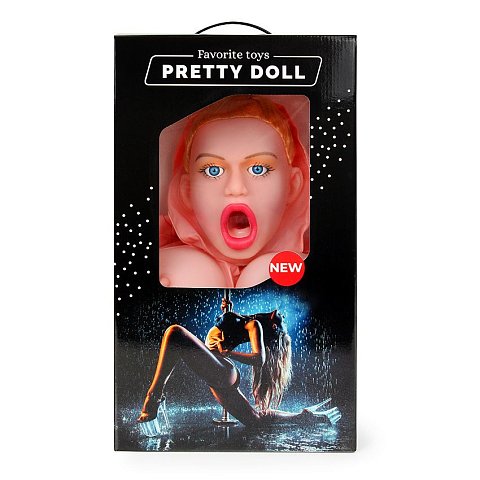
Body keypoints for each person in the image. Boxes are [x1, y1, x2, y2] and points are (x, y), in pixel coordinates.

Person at [159, 95, 310, 288]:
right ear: (188, 192)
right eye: (213, 171)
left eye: (258, 169)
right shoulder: (172, 267)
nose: (236, 188)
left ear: (292, 185)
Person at [137, 298, 341, 428]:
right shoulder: (245, 322)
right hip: (219, 374)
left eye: (281, 322)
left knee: (175, 333)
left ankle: (154, 395)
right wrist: (227, 312)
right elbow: (228, 330)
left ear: (273, 326)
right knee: (256, 421)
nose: (281, 316)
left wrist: (228, 353)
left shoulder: (255, 325)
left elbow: (259, 359)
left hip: (223, 371)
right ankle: (303, 417)